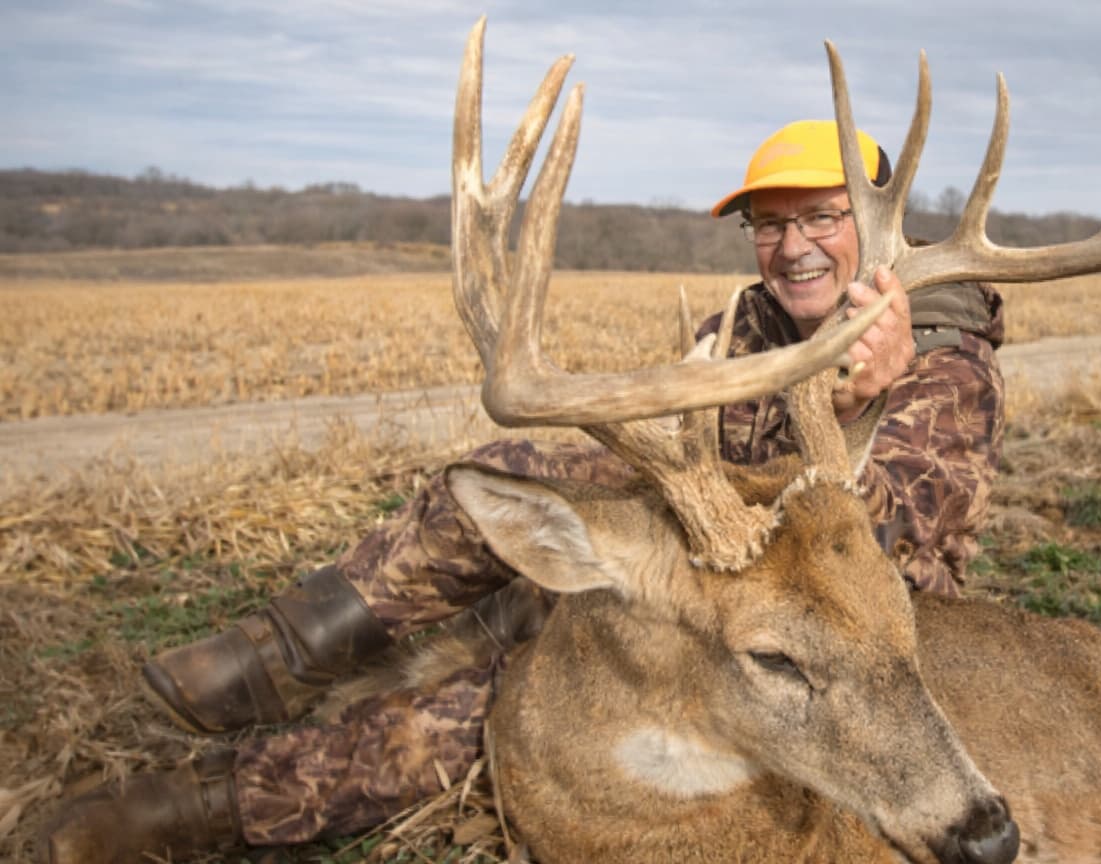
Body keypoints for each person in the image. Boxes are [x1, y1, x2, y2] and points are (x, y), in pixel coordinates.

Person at [36, 119, 1006, 863]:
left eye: (822, 217)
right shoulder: (739, 335)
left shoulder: (945, 364)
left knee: (516, 706)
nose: (793, 245)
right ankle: (281, 653)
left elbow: (888, 558)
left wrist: (863, 401)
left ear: (875, 231)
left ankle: (211, 805)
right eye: (771, 223)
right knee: (527, 478)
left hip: (830, 649)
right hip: (700, 591)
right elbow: (675, 466)